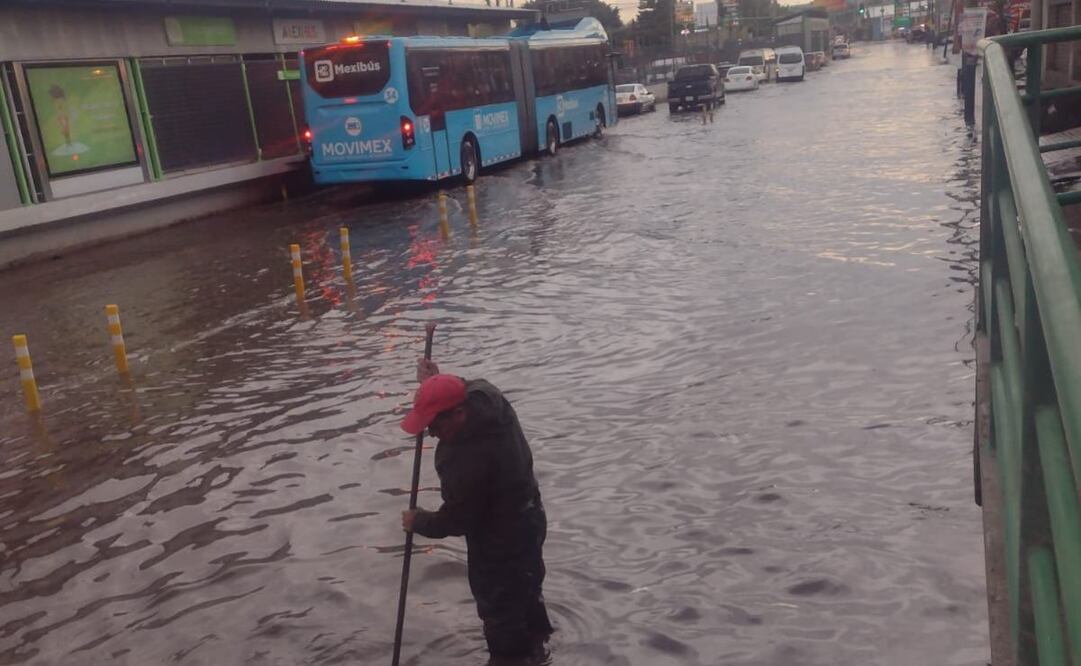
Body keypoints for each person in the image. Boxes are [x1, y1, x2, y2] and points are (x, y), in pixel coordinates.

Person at [400, 361, 553, 661]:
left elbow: (457, 519)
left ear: (458, 414)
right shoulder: (486, 396)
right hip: (531, 518)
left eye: (435, 424)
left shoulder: (468, 460)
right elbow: (460, 386)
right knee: (527, 590)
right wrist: (437, 383)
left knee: (500, 613)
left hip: (499, 539)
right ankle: (541, 648)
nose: (430, 433)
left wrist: (419, 521)